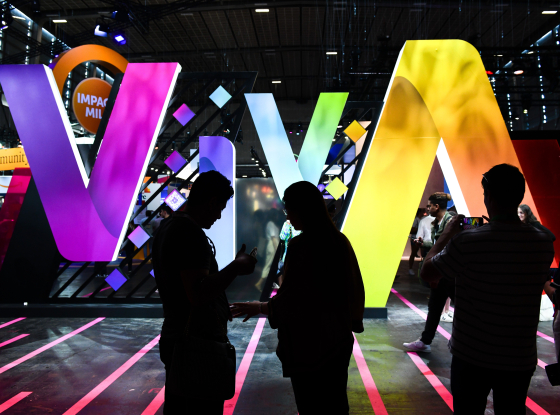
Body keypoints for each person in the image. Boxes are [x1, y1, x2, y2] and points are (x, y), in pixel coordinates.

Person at [421, 164, 554, 414]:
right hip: (518, 356)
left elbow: (427, 272)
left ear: (489, 195)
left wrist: (447, 234)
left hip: (471, 355)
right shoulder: (544, 243)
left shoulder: (468, 241)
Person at [231, 181, 365, 415]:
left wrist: (260, 307)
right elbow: (355, 288)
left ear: (303, 210)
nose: (288, 216)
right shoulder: (339, 241)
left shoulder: (301, 245)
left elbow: (294, 299)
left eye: (289, 209)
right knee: (335, 402)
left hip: (309, 345)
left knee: (310, 403)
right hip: (338, 341)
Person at [152, 171, 257, 415]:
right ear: (211, 202)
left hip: (177, 335)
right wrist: (237, 267)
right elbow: (198, 293)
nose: (219, 216)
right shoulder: (190, 233)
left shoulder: (169, 226)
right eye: (219, 208)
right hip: (196, 346)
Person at [403, 192, 454, 353]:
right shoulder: (436, 223)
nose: (427, 209)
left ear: (436, 207)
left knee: (457, 309)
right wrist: (423, 244)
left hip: (450, 274)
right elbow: (436, 245)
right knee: (434, 307)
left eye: (429, 206)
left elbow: (449, 248)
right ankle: (425, 341)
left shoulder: (451, 222)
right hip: (441, 273)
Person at [255, 209, 282, 291]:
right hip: (273, 246)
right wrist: (277, 250)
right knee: (269, 265)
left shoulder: (271, 224)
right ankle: (259, 283)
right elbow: (273, 238)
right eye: (276, 215)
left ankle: (274, 284)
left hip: (273, 245)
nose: (277, 216)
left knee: (273, 265)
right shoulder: (271, 224)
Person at [408, 208, 423, 276]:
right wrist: (420, 229)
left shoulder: (421, 219)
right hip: (415, 238)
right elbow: (412, 229)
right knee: (413, 253)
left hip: (420, 238)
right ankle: (410, 268)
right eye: (422, 211)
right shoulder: (416, 219)